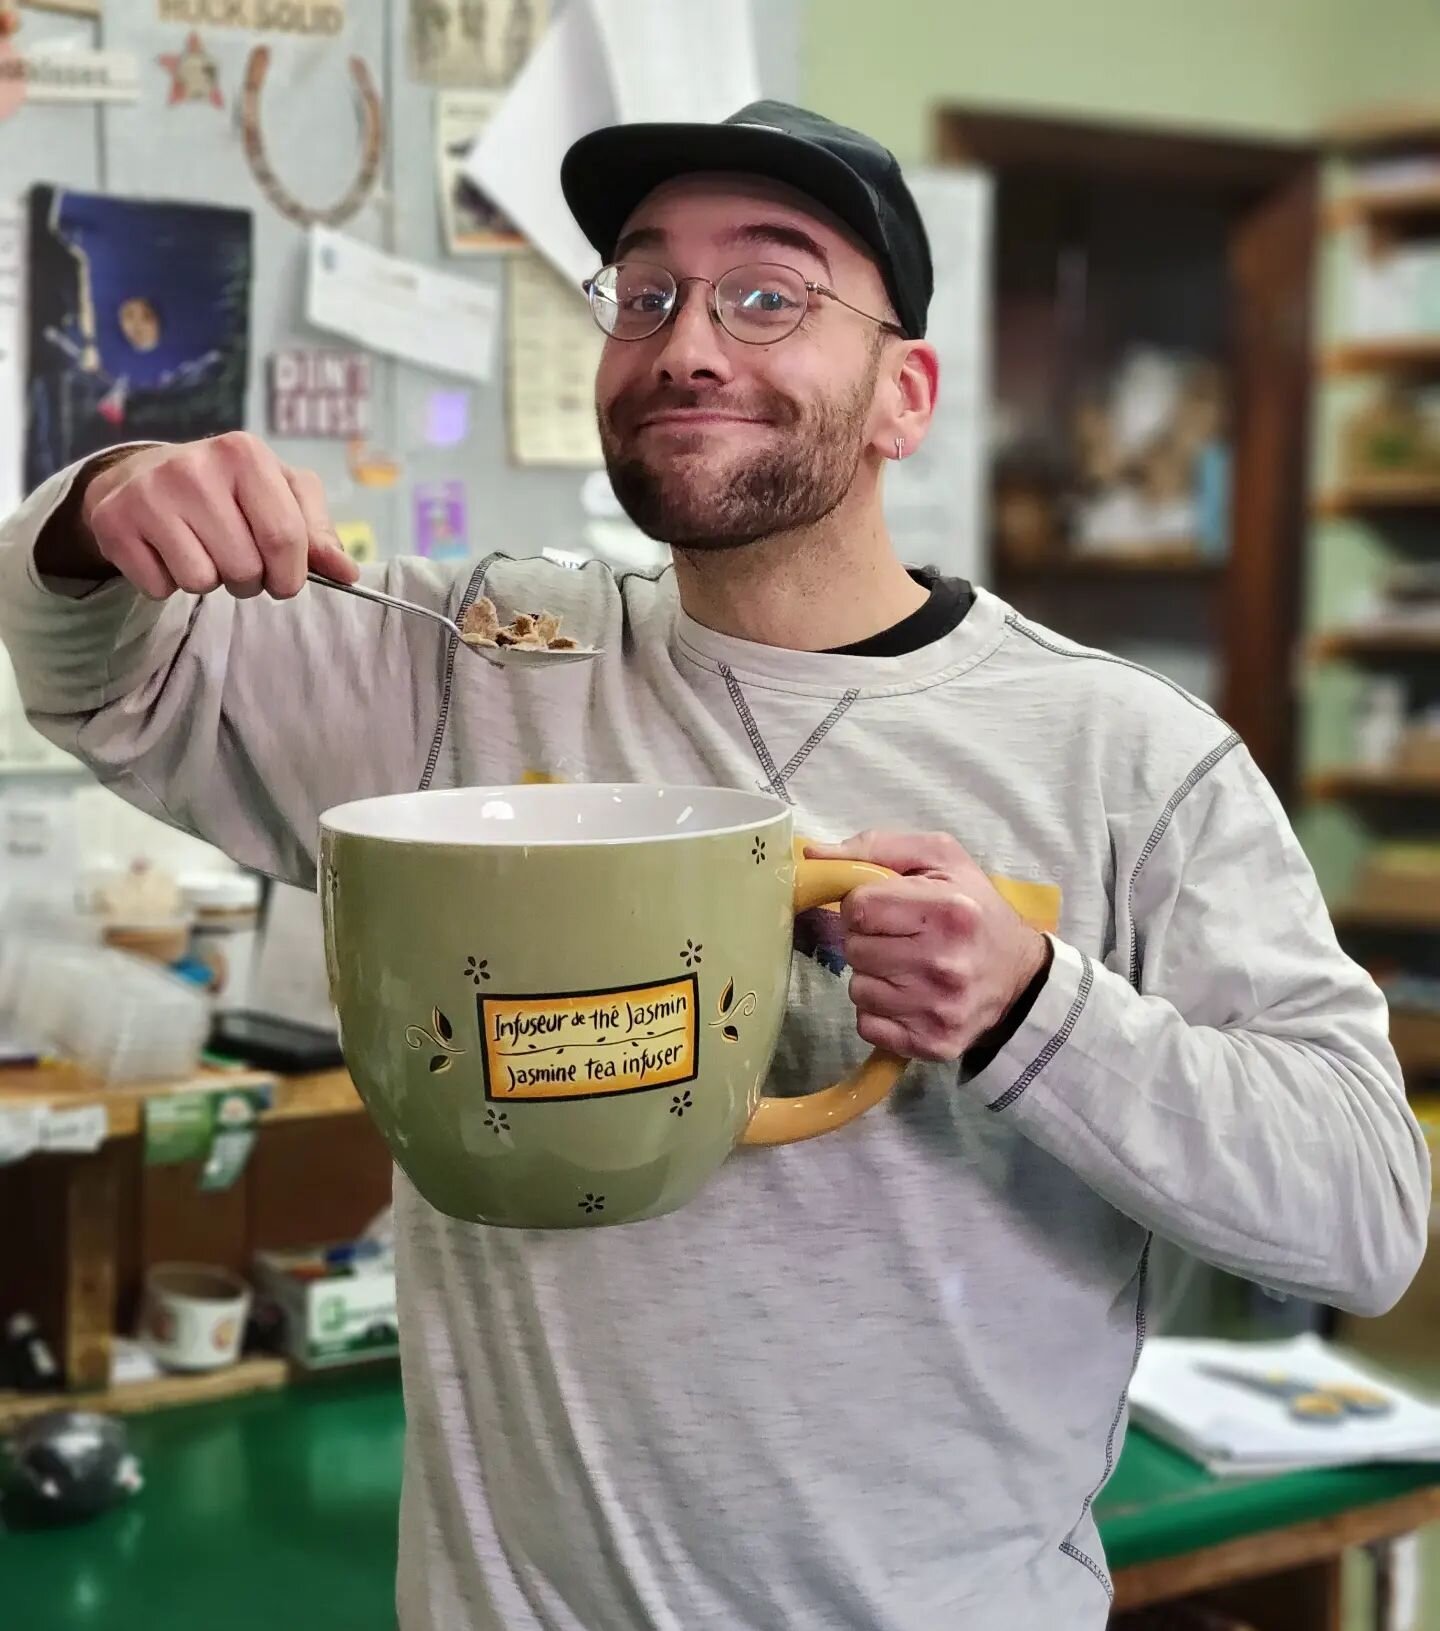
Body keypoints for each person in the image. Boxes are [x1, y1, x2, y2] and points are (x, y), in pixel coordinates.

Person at [0, 101, 1428, 1631]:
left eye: (771, 294)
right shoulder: (482, 657)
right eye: (644, 290)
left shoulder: (1127, 754)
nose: (686, 342)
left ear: (906, 396)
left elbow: (1364, 1211)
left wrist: (1033, 1012)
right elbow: (102, 675)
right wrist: (100, 505)